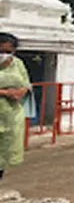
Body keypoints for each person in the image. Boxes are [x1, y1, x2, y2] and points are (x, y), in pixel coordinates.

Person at [0, 32, 31, 181]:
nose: (4, 55)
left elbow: (26, 83)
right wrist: (5, 92)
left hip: (11, 117)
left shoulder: (18, 63)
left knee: (4, 156)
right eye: (1, 51)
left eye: (8, 52)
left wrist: (20, 92)